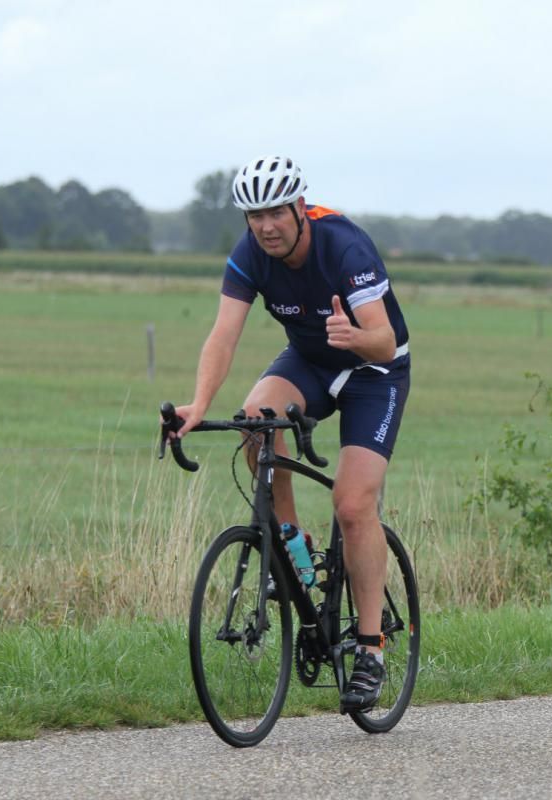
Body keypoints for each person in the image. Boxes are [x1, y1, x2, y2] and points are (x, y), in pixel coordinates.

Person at [171, 155, 410, 711]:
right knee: (253, 421)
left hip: (374, 369)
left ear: (300, 207)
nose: (265, 225)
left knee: (353, 506)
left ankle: (371, 649)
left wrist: (353, 334)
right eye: (254, 215)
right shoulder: (250, 255)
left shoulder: (345, 246)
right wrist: (197, 404)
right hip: (310, 360)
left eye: (276, 211)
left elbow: (384, 337)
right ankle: (293, 543)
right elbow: (223, 335)